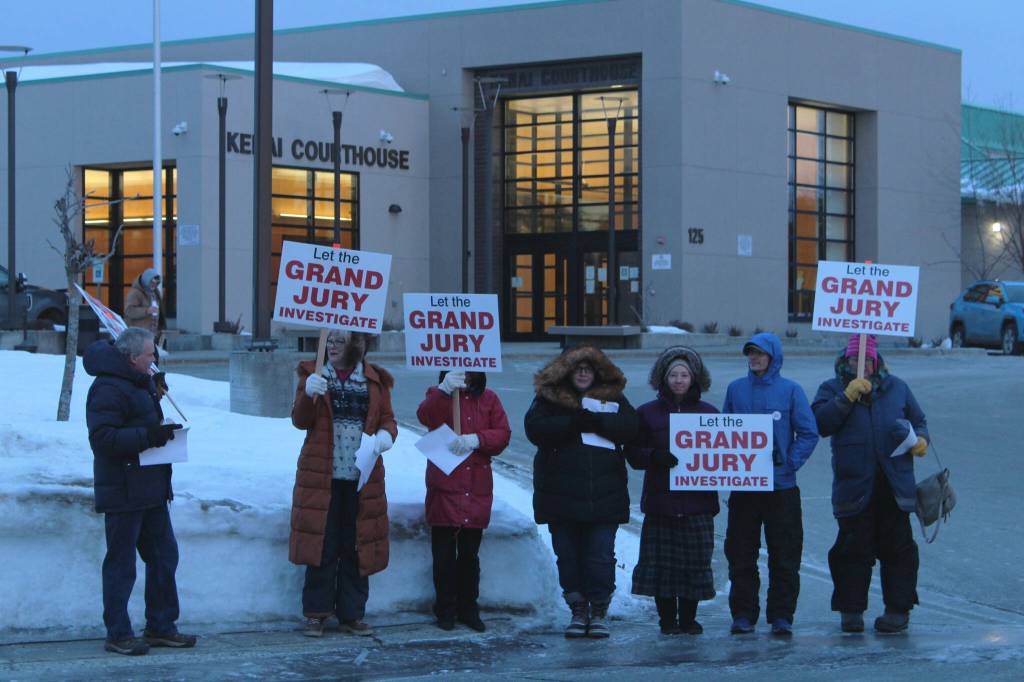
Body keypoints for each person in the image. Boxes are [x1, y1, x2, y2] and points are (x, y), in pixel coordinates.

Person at [84, 327, 193, 655]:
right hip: (123, 488)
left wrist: (155, 396)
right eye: (150, 355)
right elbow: (102, 440)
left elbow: (140, 421)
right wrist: (149, 435)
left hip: (152, 487)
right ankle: (118, 633)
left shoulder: (138, 381)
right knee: (122, 564)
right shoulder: (106, 387)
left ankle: (161, 625)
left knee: (163, 557)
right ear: (132, 358)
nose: (154, 359)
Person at [811, 334, 930, 634]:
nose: (860, 364)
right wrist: (846, 397)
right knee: (852, 550)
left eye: (865, 359)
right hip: (855, 487)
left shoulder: (897, 387)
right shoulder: (832, 388)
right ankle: (851, 612)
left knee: (899, 550)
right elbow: (820, 424)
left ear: (875, 361)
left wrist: (921, 440)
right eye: (854, 359)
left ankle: (897, 611)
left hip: (893, 486)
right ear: (845, 360)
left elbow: (919, 421)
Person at [525, 345, 638, 639]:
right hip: (560, 495)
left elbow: (631, 427)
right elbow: (535, 429)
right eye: (578, 368)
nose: (583, 373)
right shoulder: (547, 398)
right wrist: (572, 423)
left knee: (600, 556)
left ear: (598, 372)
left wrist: (600, 421)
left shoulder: (613, 397)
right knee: (569, 556)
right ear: (566, 371)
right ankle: (577, 608)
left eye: (588, 368)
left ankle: (599, 609)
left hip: (604, 495)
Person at [290, 330, 397, 637]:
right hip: (322, 476)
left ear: (357, 346)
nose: (332, 346)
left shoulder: (375, 381)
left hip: (361, 478)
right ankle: (316, 612)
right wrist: (308, 394)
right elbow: (300, 420)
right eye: (330, 341)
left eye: (340, 341)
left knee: (356, 544)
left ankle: (352, 613)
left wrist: (386, 435)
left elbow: (388, 419)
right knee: (322, 543)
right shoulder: (315, 374)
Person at [722, 332, 819, 636]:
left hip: (781, 489)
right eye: (750, 353)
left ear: (773, 356)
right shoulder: (736, 390)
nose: (755, 358)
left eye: (760, 353)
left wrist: (789, 464)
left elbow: (808, 432)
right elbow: (724, 432)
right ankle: (743, 614)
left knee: (785, 554)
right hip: (745, 489)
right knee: (741, 553)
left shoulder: (791, 391)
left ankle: (781, 615)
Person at [626, 347, 719, 635]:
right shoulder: (646, 413)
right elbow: (633, 453)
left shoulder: (710, 413)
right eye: (673, 375)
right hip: (661, 501)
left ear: (694, 378)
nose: (679, 380)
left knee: (694, 563)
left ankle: (689, 619)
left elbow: (724, 456)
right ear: (663, 378)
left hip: (698, 504)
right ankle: (667, 620)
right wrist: (654, 456)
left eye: (684, 375)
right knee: (662, 567)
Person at [416, 370, 511, 632]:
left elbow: (502, 434)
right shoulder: (437, 395)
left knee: (469, 556)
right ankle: (445, 609)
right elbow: (426, 416)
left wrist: (477, 439)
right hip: (445, 488)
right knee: (443, 556)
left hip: (475, 489)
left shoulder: (489, 399)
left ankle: (469, 608)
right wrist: (444, 391)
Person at [124, 268, 164, 340]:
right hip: (138, 335)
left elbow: (160, 313)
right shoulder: (135, 293)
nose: (153, 285)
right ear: (146, 281)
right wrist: (147, 311)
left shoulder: (156, 293)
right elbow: (128, 310)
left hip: (153, 334)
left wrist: (161, 329)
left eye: (156, 283)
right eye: (151, 282)